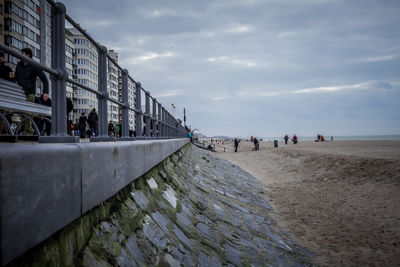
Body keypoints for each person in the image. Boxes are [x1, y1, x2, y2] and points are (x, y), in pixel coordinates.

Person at [14, 48, 49, 135]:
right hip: (19, 92)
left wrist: (45, 92)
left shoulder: (33, 65)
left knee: (27, 112)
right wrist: (12, 76)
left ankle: (28, 131)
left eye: (23, 54)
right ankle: (29, 129)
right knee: (22, 112)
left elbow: (44, 79)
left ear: (28, 55)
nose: (21, 56)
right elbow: (16, 78)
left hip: (30, 93)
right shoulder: (19, 65)